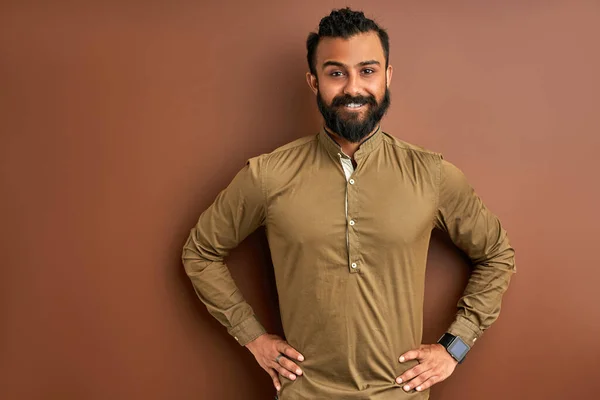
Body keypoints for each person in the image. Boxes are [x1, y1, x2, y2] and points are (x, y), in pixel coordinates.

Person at [182, 7, 515, 400]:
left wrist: (454, 347)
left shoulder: (432, 175)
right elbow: (200, 252)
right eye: (336, 73)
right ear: (314, 80)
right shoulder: (267, 175)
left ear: (388, 76)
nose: (353, 87)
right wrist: (251, 336)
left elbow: (497, 254)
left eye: (368, 71)